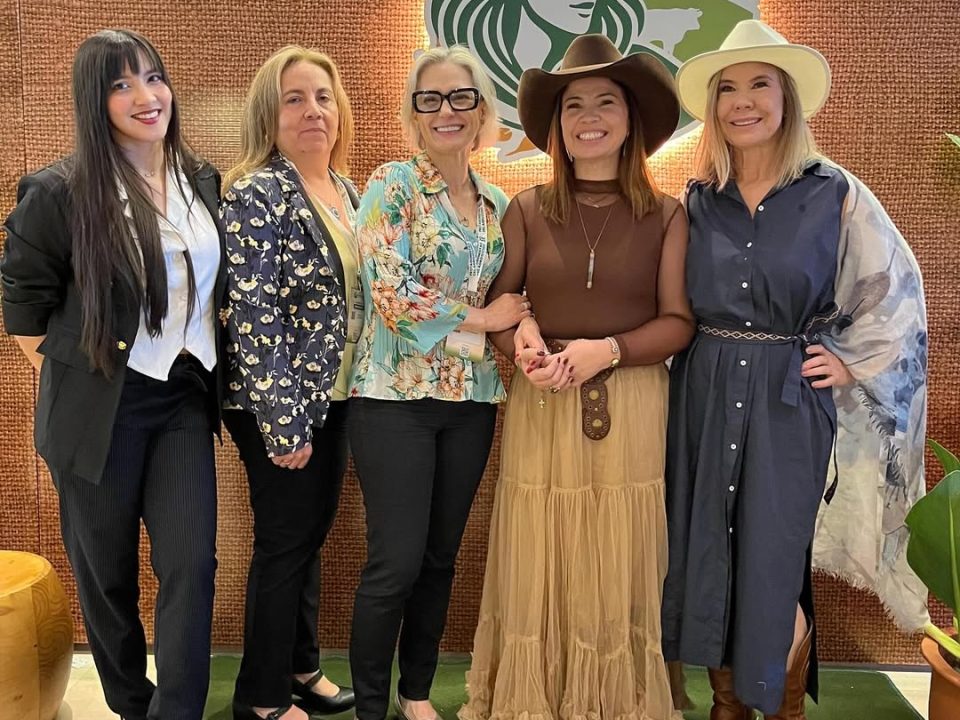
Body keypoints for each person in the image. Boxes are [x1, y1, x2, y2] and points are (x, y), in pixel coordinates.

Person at [661, 19, 927, 720]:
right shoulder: (698, 198)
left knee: (773, 557)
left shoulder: (834, 191)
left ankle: (781, 708)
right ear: (714, 106)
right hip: (704, 390)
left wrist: (851, 361)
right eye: (728, 89)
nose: (743, 101)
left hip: (788, 396)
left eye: (760, 85)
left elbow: (897, 289)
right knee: (706, 549)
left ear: (787, 99)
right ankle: (726, 705)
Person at [459, 34, 693, 720]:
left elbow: (678, 321)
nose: (589, 117)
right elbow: (502, 308)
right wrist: (522, 345)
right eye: (573, 105)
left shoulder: (667, 214)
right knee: (543, 549)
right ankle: (535, 697)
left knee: (622, 554)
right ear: (557, 125)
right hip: (544, 403)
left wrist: (608, 350)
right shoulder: (527, 208)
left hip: (635, 406)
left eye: (605, 102)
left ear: (631, 118)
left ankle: (621, 700)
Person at [1, 29, 224, 720]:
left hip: (185, 396)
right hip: (100, 411)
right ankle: (132, 704)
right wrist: (83, 387)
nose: (145, 96)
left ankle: (176, 712)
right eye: (121, 85)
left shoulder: (200, 179)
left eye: (153, 77)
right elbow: (23, 311)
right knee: (108, 578)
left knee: (192, 564)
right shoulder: (58, 193)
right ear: (94, 101)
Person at [347, 46, 529, 720]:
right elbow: (391, 293)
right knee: (394, 561)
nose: (446, 111)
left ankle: (415, 692)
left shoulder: (498, 204)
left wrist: (523, 329)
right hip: (393, 397)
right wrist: (484, 318)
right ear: (414, 113)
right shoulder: (391, 184)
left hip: (471, 400)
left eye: (460, 97)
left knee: (439, 557)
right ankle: (371, 705)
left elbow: (516, 296)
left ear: (482, 110)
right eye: (430, 99)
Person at [220, 45, 360, 720]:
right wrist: (283, 424)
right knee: (284, 544)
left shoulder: (348, 191)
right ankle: (261, 695)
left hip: (337, 396)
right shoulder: (255, 192)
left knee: (310, 537)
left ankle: (301, 666)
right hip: (278, 404)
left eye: (323, 97)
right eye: (294, 99)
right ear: (267, 115)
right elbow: (253, 314)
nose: (312, 111)